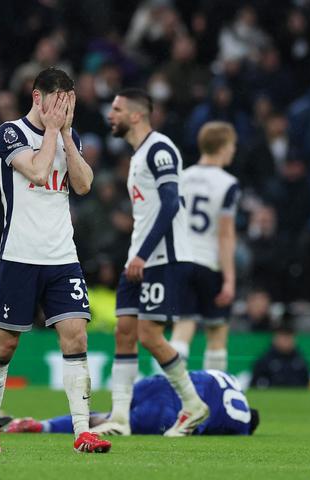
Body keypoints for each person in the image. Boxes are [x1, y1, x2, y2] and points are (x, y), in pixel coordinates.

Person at [0, 67, 111, 454]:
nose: (64, 110)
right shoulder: (10, 133)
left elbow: (84, 184)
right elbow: (37, 173)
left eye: (70, 104)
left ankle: (82, 431)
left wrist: (66, 133)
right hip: (19, 255)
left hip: (62, 258)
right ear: (38, 98)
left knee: (76, 336)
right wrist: (53, 131)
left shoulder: (71, 136)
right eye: (59, 103)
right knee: (4, 346)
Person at [97, 88, 209, 437]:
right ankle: (119, 418)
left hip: (163, 258)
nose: (109, 115)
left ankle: (193, 405)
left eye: (116, 109)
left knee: (148, 335)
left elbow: (171, 204)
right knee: (124, 332)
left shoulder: (160, 149)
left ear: (136, 115)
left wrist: (143, 254)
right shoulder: (139, 155)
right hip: (140, 258)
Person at [170, 122, 240, 371]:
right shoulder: (227, 183)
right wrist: (230, 279)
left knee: (182, 329)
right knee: (217, 331)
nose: (233, 151)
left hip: (182, 261)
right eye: (232, 146)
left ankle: (173, 393)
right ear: (222, 147)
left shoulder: (183, 177)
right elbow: (225, 234)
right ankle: (216, 394)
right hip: (210, 262)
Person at [5, 370, 260, 436]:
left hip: (159, 383)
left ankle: (43, 425)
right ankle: (42, 426)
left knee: (116, 413)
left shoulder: (231, 380)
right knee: (107, 421)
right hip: (170, 412)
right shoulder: (243, 425)